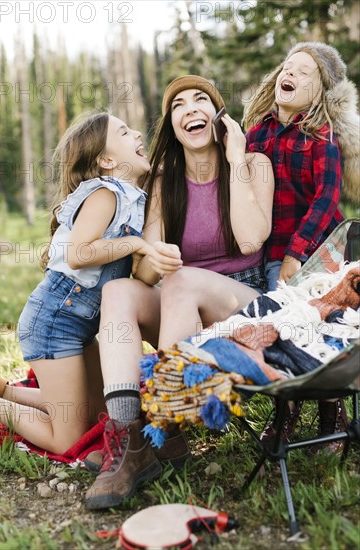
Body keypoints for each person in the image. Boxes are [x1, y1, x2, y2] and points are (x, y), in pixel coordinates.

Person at [85, 75, 274, 510]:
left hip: (245, 308)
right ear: (172, 125)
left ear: (218, 114)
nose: (191, 108)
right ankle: (132, 441)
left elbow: (250, 240)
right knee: (119, 291)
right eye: (179, 105)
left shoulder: (252, 164)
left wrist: (235, 155)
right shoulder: (164, 181)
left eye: (201, 100)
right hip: (179, 304)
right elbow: (148, 274)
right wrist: (158, 258)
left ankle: (165, 422)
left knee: (184, 280)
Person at [0, 110, 163, 458]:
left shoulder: (134, 198)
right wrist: (136, 244)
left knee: (99, 416)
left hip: (79, 326)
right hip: (54, 324)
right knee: (67, 439)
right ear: (106, 160)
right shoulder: (106, 194)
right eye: (124, 132)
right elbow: (78, 253)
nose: (138, 135)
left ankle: (6, 392)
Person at [243, 42, 360, 450]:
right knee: (281, 329)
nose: (290, 74)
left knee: (319, 327)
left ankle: (332, 417)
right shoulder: (257, 131)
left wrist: (297, 253)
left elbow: (326, 197)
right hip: (271, 250)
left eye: (304, 72)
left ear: (321, 90)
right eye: (287, 67)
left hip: (318, 251)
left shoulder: (320, 135)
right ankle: (285, 410)